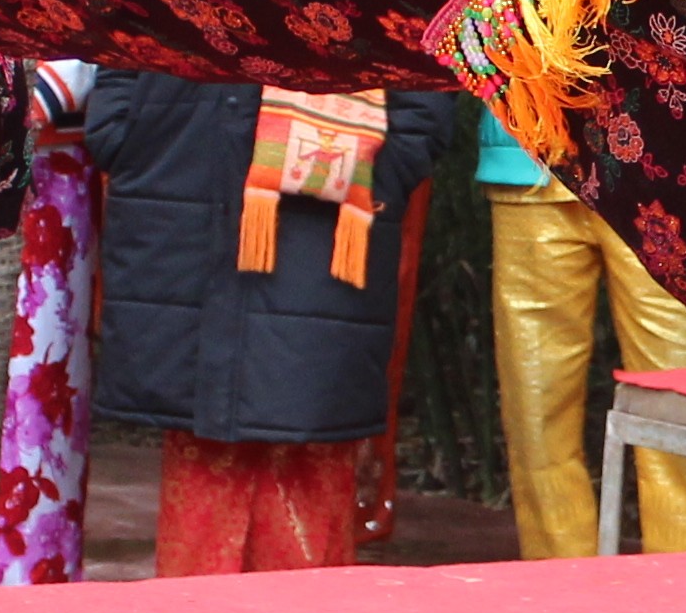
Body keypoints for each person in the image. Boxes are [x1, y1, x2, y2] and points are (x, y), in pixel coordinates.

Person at [89, 76, 453, 575]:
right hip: (183, 179)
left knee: (311, 444)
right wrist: (123, 126)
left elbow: (426, 54)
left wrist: (390, 162)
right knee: (203, 447)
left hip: (333, 212)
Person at [481, 118, 686, 559]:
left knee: (678, 390)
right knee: (534, 398)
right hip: (528, 150)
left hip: (655, 163)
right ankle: (556, 579)